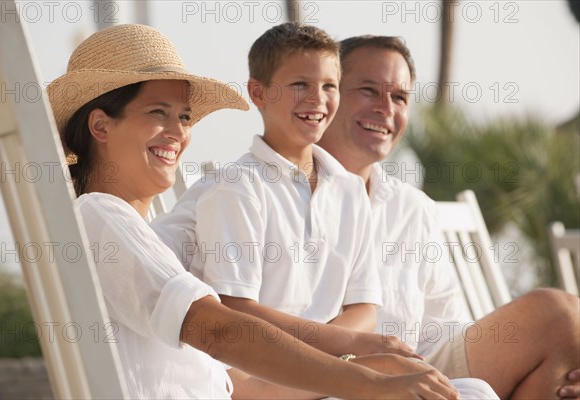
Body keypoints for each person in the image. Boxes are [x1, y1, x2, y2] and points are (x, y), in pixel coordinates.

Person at [46, 23, 460, 400]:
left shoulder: (149, 235)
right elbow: (220, 329)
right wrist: (367, 380)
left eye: (185, 116)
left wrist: (371, 367)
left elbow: (235, 379)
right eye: (158, 113)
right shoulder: (98, 216)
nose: (179, 132)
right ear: (100, 127)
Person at [151, 23, 497, 399]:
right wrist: (355, 351)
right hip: (258, 374)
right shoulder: (238, 186)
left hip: (331, 371)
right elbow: (236, 310)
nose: (317, 98)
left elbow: (365, 306)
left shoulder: (348, 190)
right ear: (258, 92)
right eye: (300, 84)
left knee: (476, 391)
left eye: (329, 86)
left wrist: (345, 356)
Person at [316, 34, 580, 400]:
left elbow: (444, 327)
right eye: (368, 90)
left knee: (561, 315)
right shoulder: (279, 193)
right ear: (327, 94)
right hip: (324, 378)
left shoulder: (412, 208)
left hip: (417, 367)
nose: (385, 108)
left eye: (399, 97)